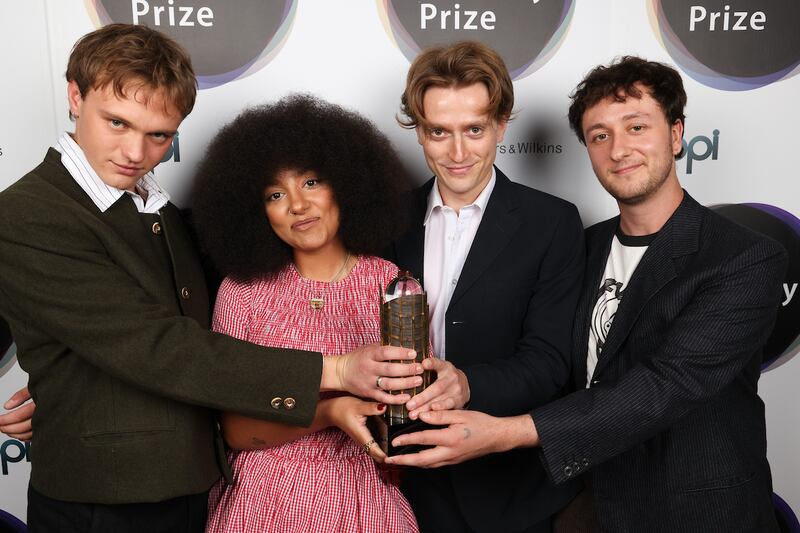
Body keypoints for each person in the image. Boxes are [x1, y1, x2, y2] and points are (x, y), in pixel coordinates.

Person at [0, 24, 419, 532]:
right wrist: (334, 371)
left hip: (192, 488)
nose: (135, 152)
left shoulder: (161, 212)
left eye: (158, 135)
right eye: (117, 123)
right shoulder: (29, 213)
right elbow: (157, 345)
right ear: (74, 95)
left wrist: (66, 385)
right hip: (106, 500)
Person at [387, 56, 786, 533]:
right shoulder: (587, 242)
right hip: (586, 503)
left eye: (637, 126)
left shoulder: (742, 257)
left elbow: (665, 386)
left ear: (677, 134)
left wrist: (505, 432)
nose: (619, 150)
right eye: (600, 136)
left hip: (696, 511)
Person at [191, 94, 418, 532]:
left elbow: (406, 410)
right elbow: (235, 431)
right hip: (263, 503)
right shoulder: (242, 293)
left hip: (366, 501)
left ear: (347, 184)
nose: (297, 204)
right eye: (276, 193)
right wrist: (331, 413)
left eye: (311, 182)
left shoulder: (391, 283)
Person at [384, 41, 585, 533]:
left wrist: (469, 384)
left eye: (474, 130)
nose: (457, 153)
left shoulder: (552, 222)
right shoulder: (385, 221)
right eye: (439, 132)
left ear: (501, 124)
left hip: (508, 495)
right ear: (419, 132)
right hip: (398, 487)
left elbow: (551, 361)